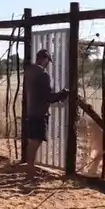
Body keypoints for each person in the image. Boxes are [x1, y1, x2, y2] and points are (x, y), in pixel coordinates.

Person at [23, 49, 70, 179]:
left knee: (32, 141)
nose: (47, 64)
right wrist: (63, 94)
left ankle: (30, 167)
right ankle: (30, 169)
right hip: (39, 112)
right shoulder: (43, 75)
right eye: (47, 61)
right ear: (44, 59)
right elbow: (48, 97)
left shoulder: (29, 72)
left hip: (31, 110)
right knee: (36, 141)